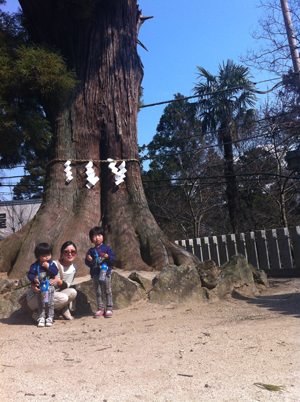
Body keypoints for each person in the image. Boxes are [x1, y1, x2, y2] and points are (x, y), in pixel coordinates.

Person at [27, 241, 78, 322]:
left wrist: (58, 281)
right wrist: (34, 283)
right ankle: (40, 313)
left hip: (53, 292)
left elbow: (65, 284)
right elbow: (30, 275)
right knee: (63, 298)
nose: (70, 254)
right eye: (66, 252)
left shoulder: (73, 268)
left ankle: (59, 310)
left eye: (73, 251)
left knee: (73, 292)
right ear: (61, 253)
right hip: (40, 292)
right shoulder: (50, 263)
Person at [85, 227, 115, 318]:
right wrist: (89, 260)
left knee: (107, 290)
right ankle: (100, 308)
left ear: (103, 237)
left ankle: (109, 307)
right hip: (95, 273)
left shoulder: (106, 248)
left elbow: (112, 259)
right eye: (94, 236)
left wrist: (108, 257)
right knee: (98, 291)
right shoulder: (91, 251)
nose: (97, 238)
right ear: (91, 239)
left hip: (105, 273)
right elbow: (87, 263)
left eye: (99, 235)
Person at [28, 243, 58, 328]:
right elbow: (30, 275)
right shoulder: (35, 266)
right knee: (41, 303)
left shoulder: (51, 264)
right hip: (40, 288)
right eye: (44, 256)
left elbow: (55, 272)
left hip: (50, 287)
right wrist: (34, 279)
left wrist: (48, 267)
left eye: (49, 255)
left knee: (50, 303)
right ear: (38, 256)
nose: (47, 257)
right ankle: (41, 317)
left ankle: (50, 317)